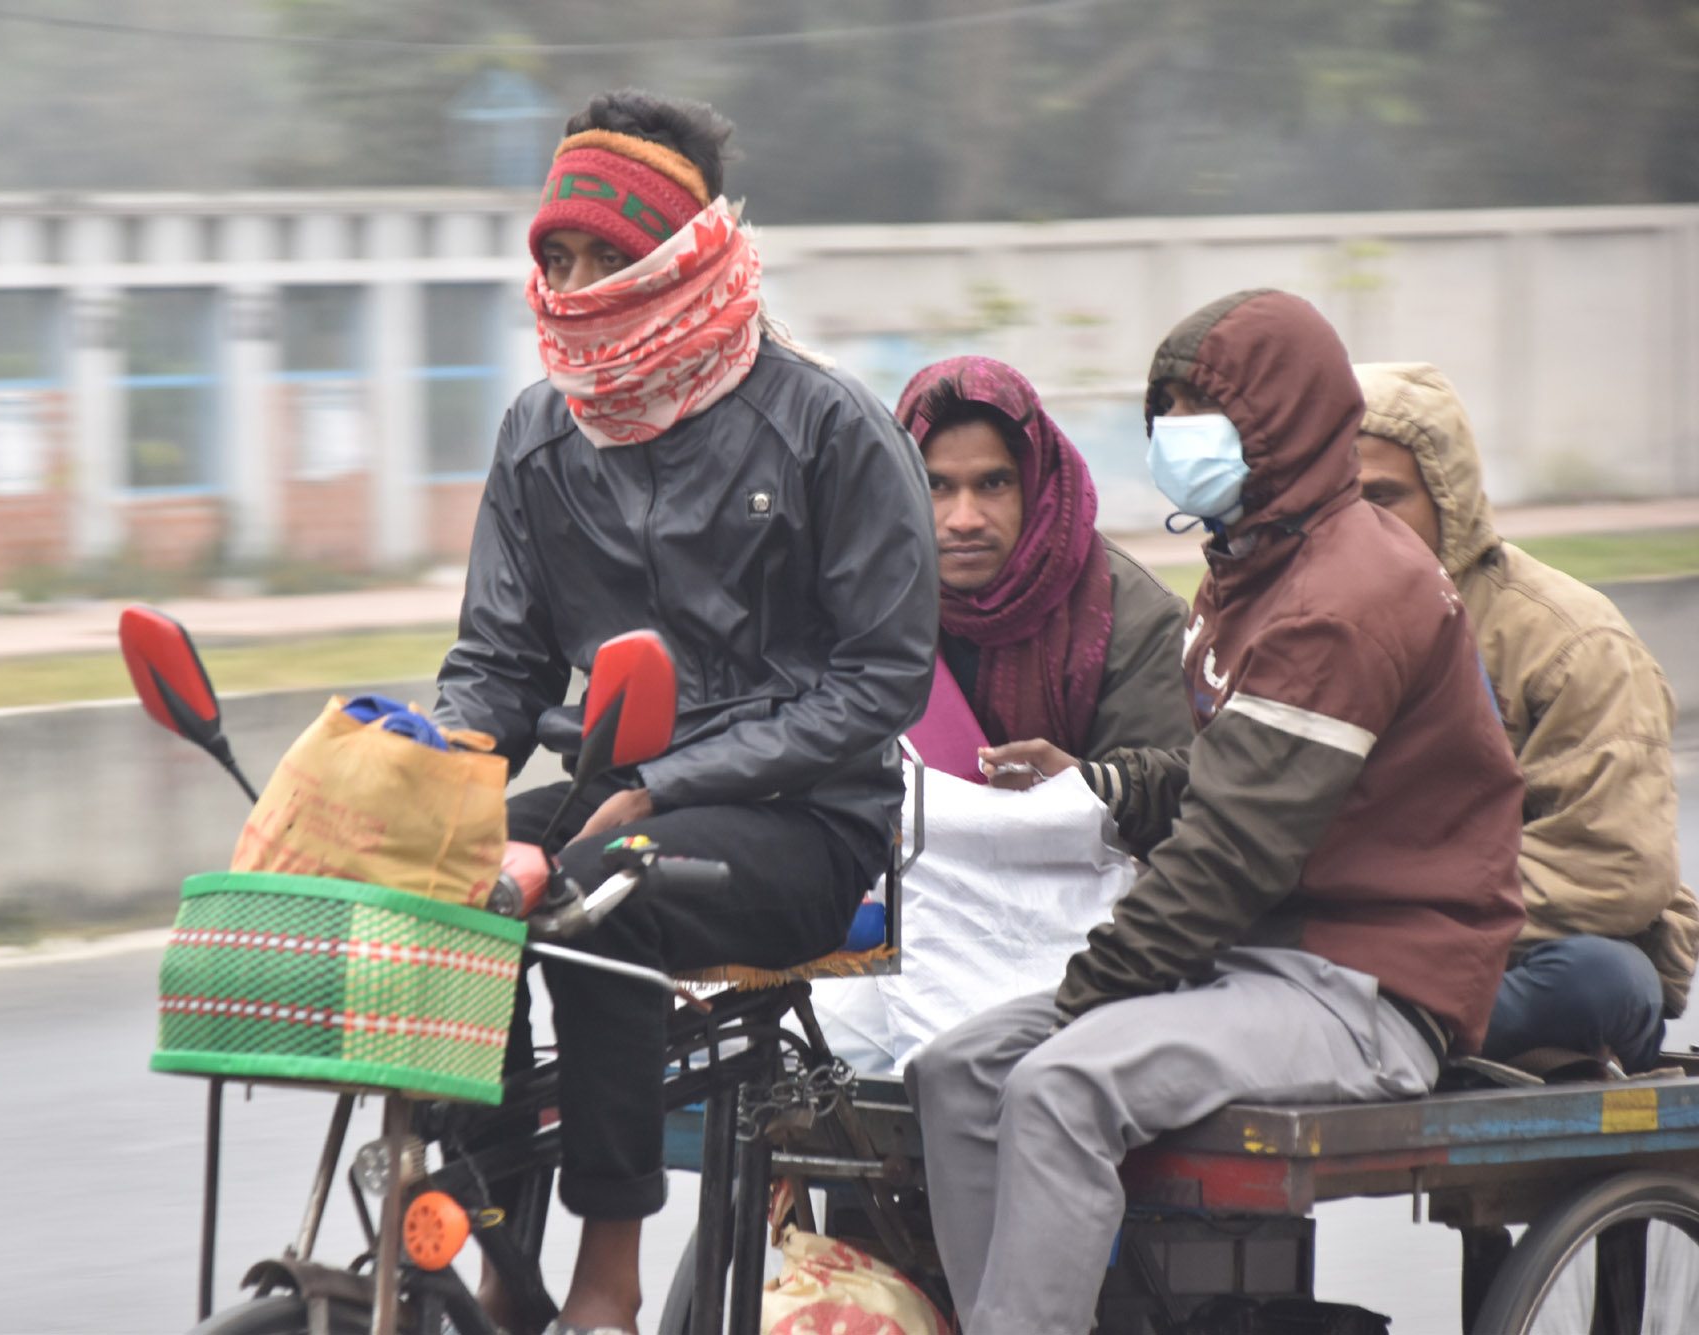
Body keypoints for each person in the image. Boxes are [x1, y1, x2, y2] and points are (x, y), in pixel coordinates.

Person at [904, 289, 1525, 1335]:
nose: (1180, 437)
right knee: (957, 1069)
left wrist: (1090, 988)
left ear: (1284, 421)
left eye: (1211, 413)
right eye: (1171, 413)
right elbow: (1214, 774)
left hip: (1363, 981)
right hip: (1253, 957)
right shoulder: (1253, 568)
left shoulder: (1345, 593)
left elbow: (1231, 851)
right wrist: (1100, 786)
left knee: (1060, 1083)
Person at [432, 89, 937, 1335]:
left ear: (672, 261)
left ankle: (605, 1277)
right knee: (447, 885)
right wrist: (423, 782)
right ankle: (496, 1247)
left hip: (805, 821)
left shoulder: (826, 427)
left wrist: (667, 784)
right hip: (612, 787)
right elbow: (497, 666)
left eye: (598, 257)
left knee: (603, 888)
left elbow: (880, 682)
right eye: (555, 256)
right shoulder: (538, 437)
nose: (568, 285)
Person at [1354, 361, 1697, 1074]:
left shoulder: (1571, 639)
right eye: (1340, 502)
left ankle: (1381, 1036)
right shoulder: (1304, 628)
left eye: (1385, 497)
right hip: (1356, 943)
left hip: (1518, 948)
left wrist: (1400, 916)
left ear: (1449, 498)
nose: (1363, 527)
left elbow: (1612, 864)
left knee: (1600, 980)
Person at [892, 356, 1194, 780]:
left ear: (1040, 484)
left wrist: (1080, 781)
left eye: (993, 484)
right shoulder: (871, 603)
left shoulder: (1137, 618)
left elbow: (1170, 791)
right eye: (936, 485)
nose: (965, 520)